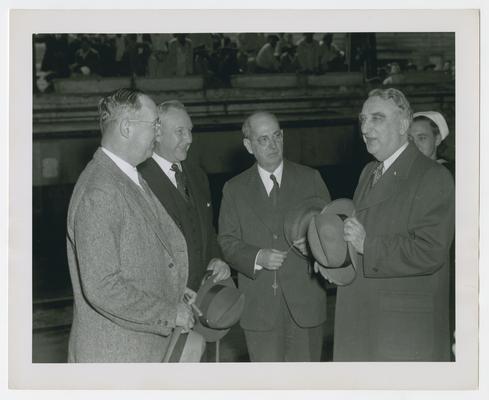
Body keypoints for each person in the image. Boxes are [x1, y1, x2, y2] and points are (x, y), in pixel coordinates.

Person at [66, 88, 195, 362]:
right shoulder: (100, 190)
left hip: (138, 350)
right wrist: (169, 313)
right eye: (154, 126)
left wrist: (174, 291)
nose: (157, 134)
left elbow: (139, 257)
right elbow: (103, 287)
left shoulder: (126, 177)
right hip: (117, 355)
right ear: (126, 127)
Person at [334, 88, 455, 361]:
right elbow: (362, 233)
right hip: (364, 315)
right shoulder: (369, 171)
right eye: (363, 119)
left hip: (401, 329)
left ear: (403, 125)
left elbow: (430, 250)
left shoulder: (433, 176)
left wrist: (368, 245)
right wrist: (329, 251)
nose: (365, 127)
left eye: (377, 118)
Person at [218, 111, 331, 362]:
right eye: (263, 139)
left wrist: (314, 246)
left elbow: (331, 234)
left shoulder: (310, 178)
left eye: (277, 136)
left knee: (306, 387)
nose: (273, 145)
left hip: (307, 305)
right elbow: (226, 241)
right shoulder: (234, 189)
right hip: (260, 309)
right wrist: (258, 256)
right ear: (249, 146)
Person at [138, 100, 230, 292]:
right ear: (157, 134)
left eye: (190, 130)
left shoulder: (198, 176)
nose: (189, 139)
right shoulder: (139, 180)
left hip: (203, 299)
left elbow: (208, 231)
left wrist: (217, 258)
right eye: (180, 131)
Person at [408, 111, 454, 175]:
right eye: (410, 139)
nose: (414, 145)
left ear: (437, 139)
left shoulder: (450, 173)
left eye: (422, 138)